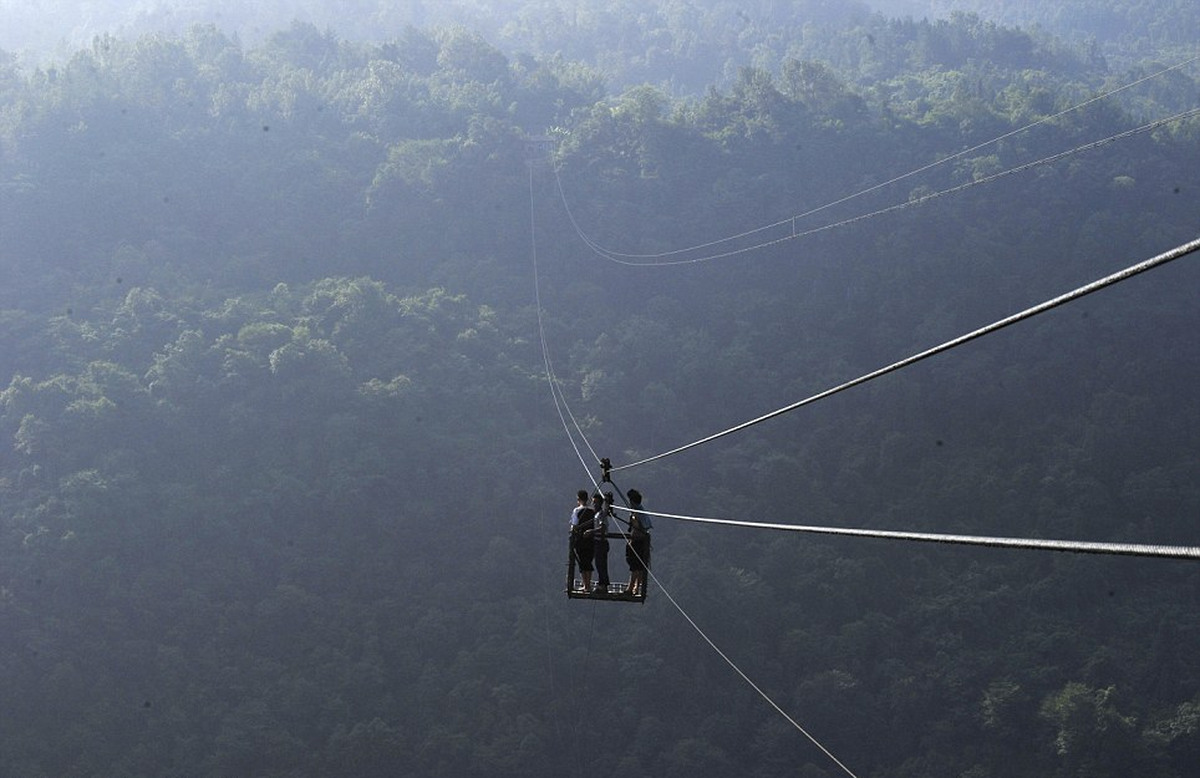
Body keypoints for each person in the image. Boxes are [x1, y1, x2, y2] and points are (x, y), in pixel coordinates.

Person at [624, 488, 652, 596]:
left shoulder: (636, 514)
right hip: (643, 542)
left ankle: (630, 588)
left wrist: (631, 540)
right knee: (639, 567)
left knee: (634, 566)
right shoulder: (642, 511)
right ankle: (636, 587)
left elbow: (636, 529)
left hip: (637, 542)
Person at [569, 489, 595, 592]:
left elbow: (574, 525)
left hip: (581, 540)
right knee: (588, 561)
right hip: (591, 540)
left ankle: (586, 585)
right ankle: (588, 584)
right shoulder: (593, 510)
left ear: (578, 499)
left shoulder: (577, 510)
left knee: (582, 562)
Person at [591, 491, 612, 593]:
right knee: (599, 564)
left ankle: (603, 585)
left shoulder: (601, 514)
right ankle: (601, 583)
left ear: (600, 503)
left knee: (601, 564)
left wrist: (591, 532)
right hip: (598, 542)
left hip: (601, 542)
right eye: (593, 502)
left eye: (595, 502)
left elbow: (602, 528)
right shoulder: (597, 514)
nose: (594, 504)